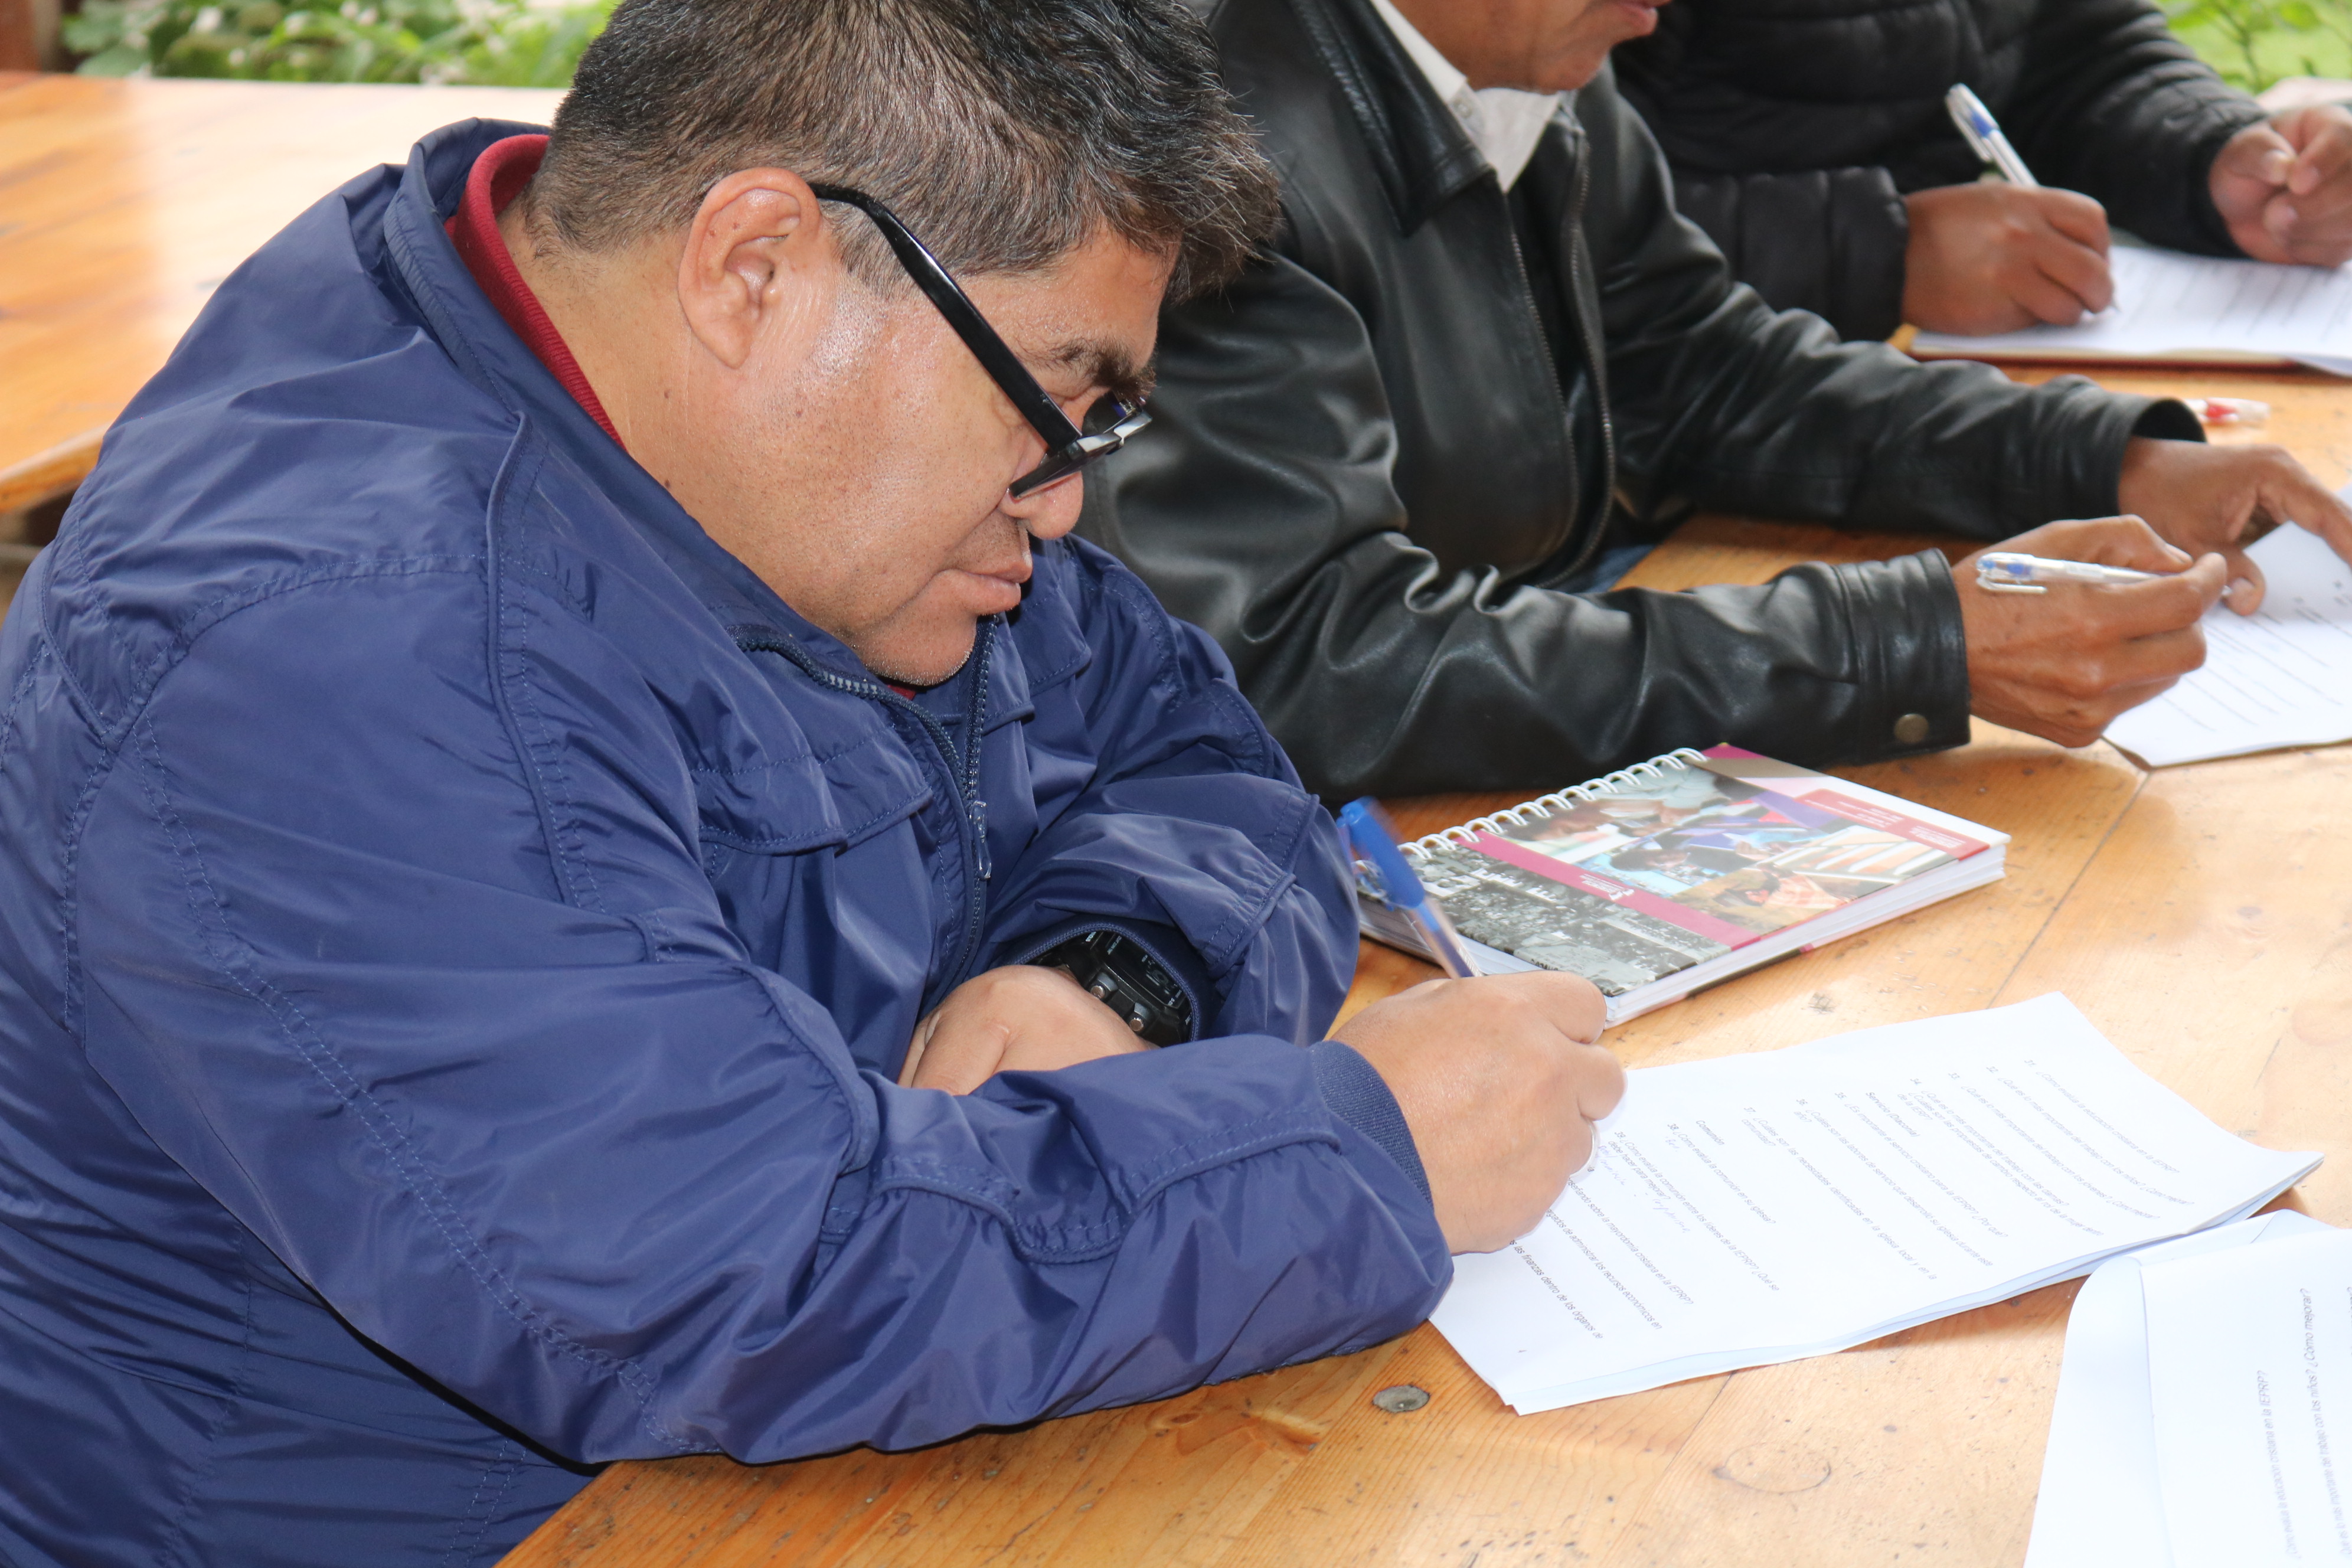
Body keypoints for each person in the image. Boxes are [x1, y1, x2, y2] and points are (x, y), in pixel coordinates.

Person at [0, 3, 1628, 1563]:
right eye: (1054, 401)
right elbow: (732, 1277)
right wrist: (1365, 1159)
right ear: (755, 265)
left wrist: (1104, 974)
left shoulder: (747, 447)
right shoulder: (329, 658)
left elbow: (1202, 763)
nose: (1064, 505)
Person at [1078, 0, 2352, 799]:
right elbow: (1314, 661)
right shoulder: (1203, 144)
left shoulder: (1527, 45)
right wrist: (1909, 644)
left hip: (1516, 680)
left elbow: (1702, 367)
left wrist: (2100, 457)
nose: (1660, 14)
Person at [1614, 0, 2352, 340]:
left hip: (1941, 387)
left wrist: (2209, 158)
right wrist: (1879, 255)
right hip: (1658, 460)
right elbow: (1568, 212)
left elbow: (2068, 51)